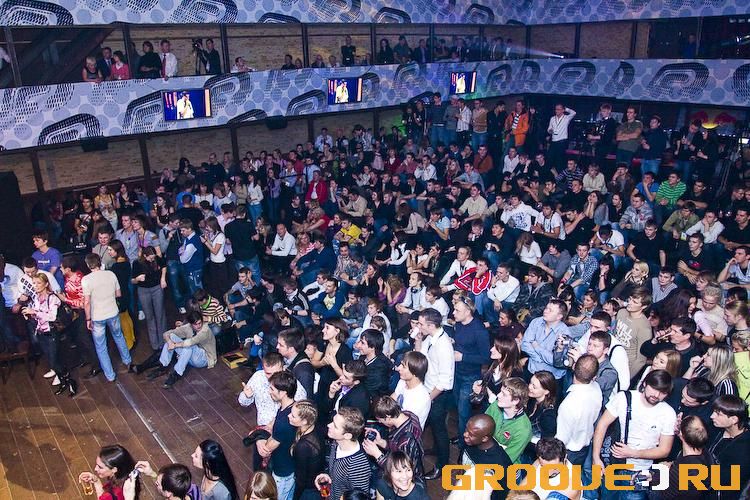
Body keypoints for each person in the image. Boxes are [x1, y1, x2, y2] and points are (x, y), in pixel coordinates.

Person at [592, 369, 676, 500]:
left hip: (642, 471)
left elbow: (664, 450)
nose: (656, 395)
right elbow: (602, 425)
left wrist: (633, 453)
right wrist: (596, 458)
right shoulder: (624, 398)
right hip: (613, 465)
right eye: (654, 388)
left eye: (662, 392)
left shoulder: (668, 413)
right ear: (645, 384)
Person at [414, 308, 454, 479]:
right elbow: (422, 357)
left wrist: (428, 399)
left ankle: (442, 466)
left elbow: (445, 381)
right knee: (432, 426)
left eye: (421, 324)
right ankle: (437, 449)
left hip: (438, 394)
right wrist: (418, 340)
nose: (418, 326)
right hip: (428, 389)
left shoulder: (443, 346)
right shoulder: (430, 337)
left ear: (431, 325)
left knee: (439, 430)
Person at [82, 253, 132, 383]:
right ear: (99, 262)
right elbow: (118, 294)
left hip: (97, 316)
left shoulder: (86, 279)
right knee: (119, 336)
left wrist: (88, 319)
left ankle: (110, 375)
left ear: (88, 265)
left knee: (101, 346)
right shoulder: (111, 274)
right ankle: (127, 361)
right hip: (113, 312)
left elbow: (87, 302)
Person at [146, 311, 217, 389]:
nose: (198, 326)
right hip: (191, 355)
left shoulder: (205, 330)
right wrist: (169, 342)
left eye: (200, 323)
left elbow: (190, 342)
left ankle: (176, 374)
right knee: (172, 337)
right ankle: (163, 366)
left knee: (188, 347)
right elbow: (166, 334)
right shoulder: (188, 327)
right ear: (191, 324)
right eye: (195, 324)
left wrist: (174, 345)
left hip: (205, 358)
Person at [256, 370, 297, 500]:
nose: (269, 391)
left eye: (272, 389)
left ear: (283, 392)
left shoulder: (284, 422)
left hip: (282, 471)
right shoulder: (292, 408)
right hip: (290, 465)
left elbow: (265, 450)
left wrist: (258, 439)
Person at [314, 407, 371, 500]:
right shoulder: (336, 442)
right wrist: (327, 475)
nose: (329, 425)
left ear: (347, 435)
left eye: (335, 426)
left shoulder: (358, 467)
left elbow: (359, 497)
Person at [555, 354, 602, 465]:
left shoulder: (568, 404)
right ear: (594, 376)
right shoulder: (597, 389)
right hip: (584, 449)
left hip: (568, 453)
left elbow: (561, 439)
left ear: (573, 366)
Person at [363, 396, 424, 481]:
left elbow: (401, 471)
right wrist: (381, 442)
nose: (379, 422)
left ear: (388, 417)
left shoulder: (406, 441)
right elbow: (396, 447)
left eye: (380, 419)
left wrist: (377, 455)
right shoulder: (409, 415)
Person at [708, 395, 750, 500]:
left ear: (734, 419)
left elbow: (727, 484)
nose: (712, 416)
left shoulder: (744, 450)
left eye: (718, 414)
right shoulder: (717, 429)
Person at [484, 377, 532, 463]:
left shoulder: (523, 429)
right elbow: (483, 428)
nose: (498, 395)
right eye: (500, 391)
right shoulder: (495, 406)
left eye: (504, 394)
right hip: (487, 452)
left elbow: (507, 459)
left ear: (515, 401)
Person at [288, 400, 324, 499]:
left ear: (304, 421)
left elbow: (301, 480)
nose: (289, 416)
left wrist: (296, 497)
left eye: (293, 416)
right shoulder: (315, 428)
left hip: (308, 490)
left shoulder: (303, 446)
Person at [392, 350, 431, 429]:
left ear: (414, 372)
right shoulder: (403, 382)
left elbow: (405, 425)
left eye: (403, 366)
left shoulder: (421, 398)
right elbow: (392, 398)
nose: (398, 368)